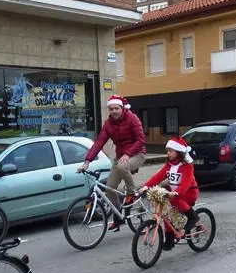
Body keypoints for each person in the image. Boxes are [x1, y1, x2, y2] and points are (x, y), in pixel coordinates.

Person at [79, 95, 147, 231]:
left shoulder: (132, 118)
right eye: (111, 109)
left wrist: (128, 154)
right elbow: (99, 142)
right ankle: (118, 217)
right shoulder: (108, 124)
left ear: (122, 108)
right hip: (120, 158)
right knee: (110, 189)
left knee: (122, 166)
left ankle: (132, 193)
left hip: (137, 154)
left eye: (116, 108)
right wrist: (87, 161)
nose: (114, 111)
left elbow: (141, 140)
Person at [137, 137, 200, 250]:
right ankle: (170, 240)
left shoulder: (187, 166)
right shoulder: (169, 165)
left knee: (174, 200)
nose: (168, 153)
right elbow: (158, 176)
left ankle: (193, 217)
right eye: (168, 151)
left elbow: (185, 184)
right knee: (165, 211)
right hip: (174, 193)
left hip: (188, 193)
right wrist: (146, 186)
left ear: (178, 152)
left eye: (171, 151)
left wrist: (175, 193)